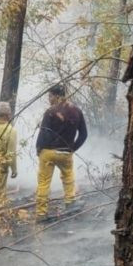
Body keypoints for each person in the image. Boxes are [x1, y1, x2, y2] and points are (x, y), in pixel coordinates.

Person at [35, 85, 87, 219]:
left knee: (44, 182)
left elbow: (44, 133)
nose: (49, 99)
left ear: (57, 96)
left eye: (50, 96)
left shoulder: (50, 112)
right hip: (65, 152)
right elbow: (83, 135)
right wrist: (72, 148)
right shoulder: (77, 111)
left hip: (48, 152)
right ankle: (70, 203)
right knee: (68, 176)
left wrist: (38, 149)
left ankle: (41, 213)